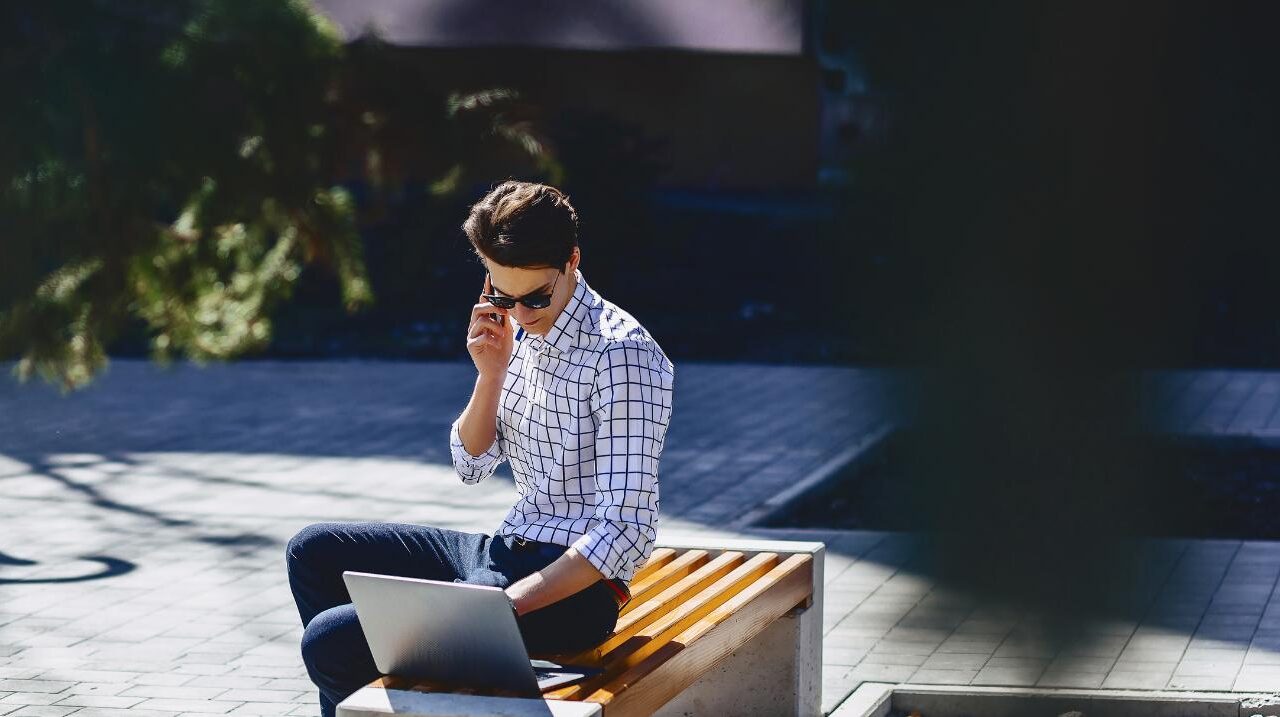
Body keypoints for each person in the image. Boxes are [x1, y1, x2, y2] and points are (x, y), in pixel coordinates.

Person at [285, 180, 676, 717]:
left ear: (572, 262)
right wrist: (490, 375)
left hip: (569, 589)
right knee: (314, 549)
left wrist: (503, 606)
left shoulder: (622, 356)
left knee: (332, 639)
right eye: (501, 294)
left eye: (536, 296)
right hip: (503, 550)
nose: (521, 313)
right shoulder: (516, 334)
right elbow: (471, 465)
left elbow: (627, 530)